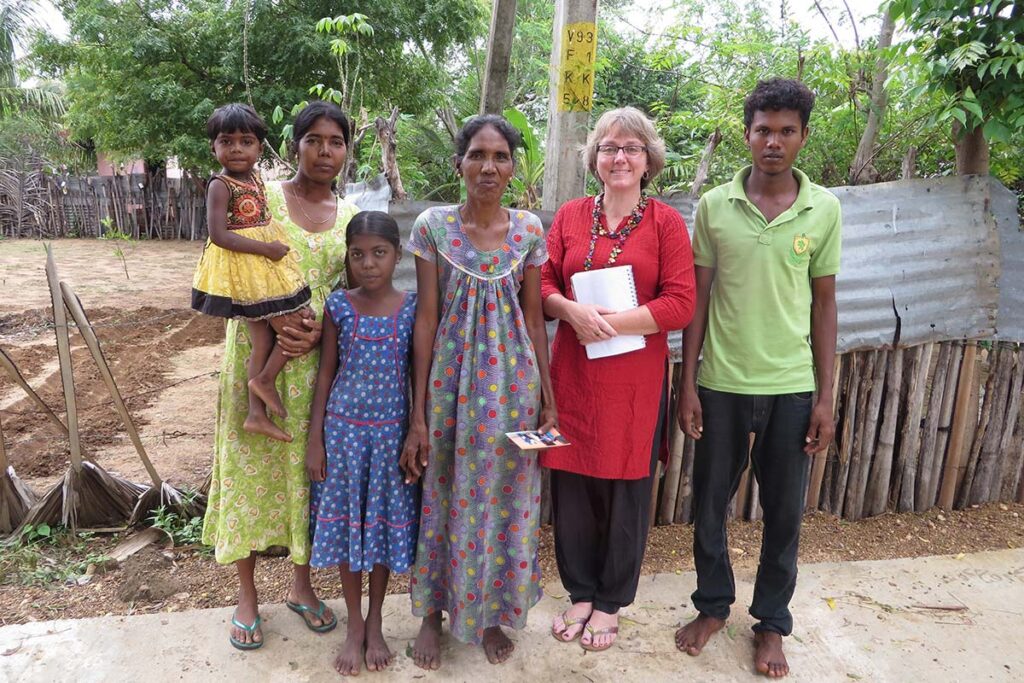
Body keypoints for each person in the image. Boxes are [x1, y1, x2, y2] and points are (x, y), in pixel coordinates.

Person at [675, 78, 840, 678]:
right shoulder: (715, 206)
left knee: (785, 512)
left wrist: (826, 395)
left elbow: (825, 305)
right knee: (709, 500)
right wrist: (687, 381)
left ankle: (771, 623)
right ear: (747, 135)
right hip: (721, 381)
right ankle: (713, 605)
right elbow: (698, 296)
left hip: (792, 386)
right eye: (763, 130)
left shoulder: (824, 209)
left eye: (786, 131)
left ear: (802, 137)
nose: (773, 141)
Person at [201, 101, 360, 651]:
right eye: (313, 139)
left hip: (316, 363)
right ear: (294, 146)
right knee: (248, 473)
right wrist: (271, 321)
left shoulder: (350, 213)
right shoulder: (260, 196)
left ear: (346, 150)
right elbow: (229, 263)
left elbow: (352, 286)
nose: (324, 151)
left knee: (304, 477)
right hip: (255, 349)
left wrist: (319, 331)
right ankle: (246, 597)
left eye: (335, 141)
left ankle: (300, 587)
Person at [401, 114, 557, 668]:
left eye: (500, 157)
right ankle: (431, 615)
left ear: (513, 168)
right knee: (443, 492)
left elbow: (535, 318)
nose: (488, 166)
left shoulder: (530, 231)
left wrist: (549, 398)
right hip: (448, 386)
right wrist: (417, 413)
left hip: (514, 387)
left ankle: (492, 616)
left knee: (507, 500)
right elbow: (425, 319)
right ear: (459, 163)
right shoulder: (432, 228)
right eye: (477, 155)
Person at [541, 106, 695, 652]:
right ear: (594, 159)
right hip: (575, 376)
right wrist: (570, 311)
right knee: (574, 485)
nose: (619, 157)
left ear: (648, 159)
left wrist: (605, 324)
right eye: (608, 148)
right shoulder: (569, 217)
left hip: (634, 381)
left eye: (631, 148)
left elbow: (680, 303)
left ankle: (610, 601)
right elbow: (541, 283)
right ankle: (580, 591)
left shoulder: (666, 223)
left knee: (627, 488)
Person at [305, 211, 419, 675]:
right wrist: (316, 439)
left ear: (397, 256)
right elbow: (326, 372)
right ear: (347, 258)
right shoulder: (338, 305)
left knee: (381, 536)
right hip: (344, 436)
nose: (368, 263)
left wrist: (416, 428)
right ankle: (354, 624)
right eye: (358, 254)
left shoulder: (413, 307)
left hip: (391, 436)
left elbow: (417, 374)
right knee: (350, 532)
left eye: (379, 253)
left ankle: (376, 621)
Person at [191, 103, 312, 443]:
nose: (236, 149)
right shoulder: (221, 185)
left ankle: (256, 414)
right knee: (297, 326)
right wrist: (267, 249)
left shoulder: (256, 178)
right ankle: (264, 380)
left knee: (263, 338)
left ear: (260, 147)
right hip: (248, 269)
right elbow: (219, 235)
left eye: (246, 141)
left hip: (264, 266)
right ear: (213, 147)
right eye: (226, 141)